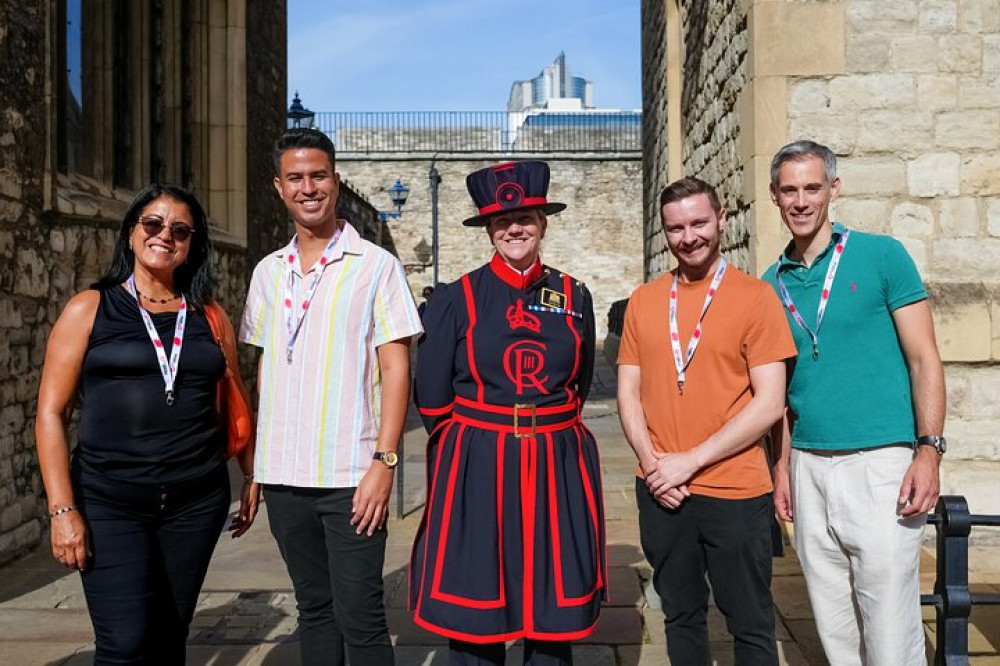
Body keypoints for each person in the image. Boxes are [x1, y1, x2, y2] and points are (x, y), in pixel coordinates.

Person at [35, 183, 259, 664]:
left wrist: (250, 471)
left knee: (168, 638)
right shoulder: (88, 308)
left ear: (193, 243)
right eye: (153, 224)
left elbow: (236, 395)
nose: (165, 236)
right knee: (124, 644)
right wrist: (61, 511)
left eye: (180, 229)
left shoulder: (210, 315)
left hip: (195, 501)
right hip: (109, 500)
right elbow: (52, 413)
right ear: (132, 232)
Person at [410, 160, 605, 665]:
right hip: (478, 463)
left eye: (526, 218)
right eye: (502, 221)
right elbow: (431, 396)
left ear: (543, 222)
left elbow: (578, 383)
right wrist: (475, 442)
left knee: (551, 611)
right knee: (477, 613)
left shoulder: (573, 295)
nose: (514, 228)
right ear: (488, 229)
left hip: (555, 463)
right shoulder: (457, 298)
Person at [240, 127, 422, 666]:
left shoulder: (376, 265)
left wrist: (385, 463)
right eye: (295, 178)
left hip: (351, 475)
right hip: (284, 475)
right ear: (279, 187)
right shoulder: (267, 273)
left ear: (336, 181)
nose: (308, 187)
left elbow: (396, 366)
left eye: (318, 175)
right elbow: (263, 367)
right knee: (313, 609)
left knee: (361, 616)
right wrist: (254, 469)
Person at [763, 140, 946, 666]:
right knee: (835, 628)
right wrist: (782, 467)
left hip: (881, 462)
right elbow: (781, 396)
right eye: (790, 190)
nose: (801, 200)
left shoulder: (882, 255)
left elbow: (924, 359)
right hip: (808, 466)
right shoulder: (769, 285)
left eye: (812, 188)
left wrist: (929, 450)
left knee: (889, 624)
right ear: (776, 196)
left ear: (833, 189)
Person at [617, 177, 796, 665]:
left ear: (722, 220)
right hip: (660, 489)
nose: (689, 236)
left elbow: (769, 403)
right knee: (680, 615)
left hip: (735, 489)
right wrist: (655, 464)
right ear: (664, 232)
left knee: (751, 623)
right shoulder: (643, 301)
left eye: (699, 222)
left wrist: (688, 462)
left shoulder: (756, 298)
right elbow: (628, 392)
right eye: (676, 228)